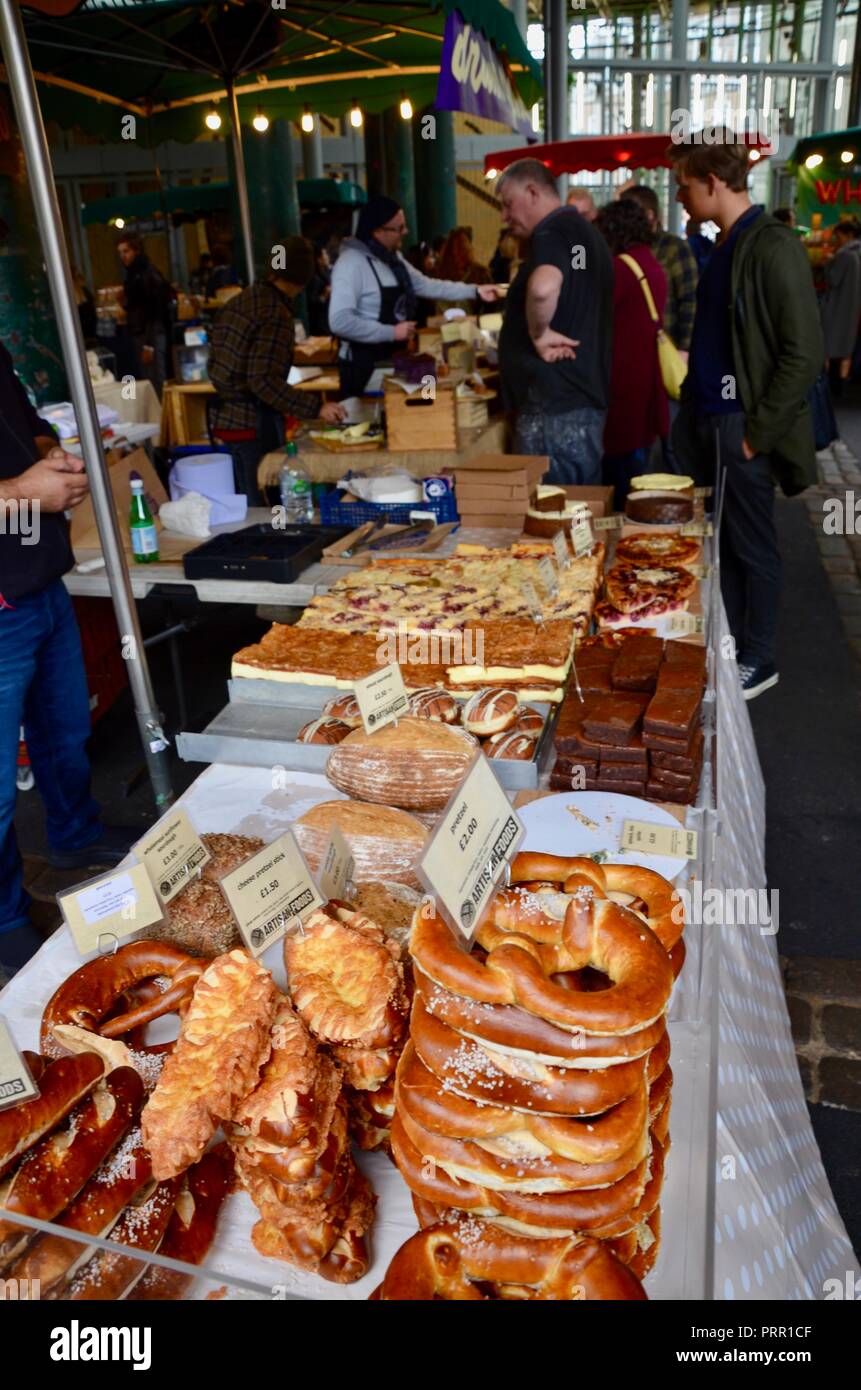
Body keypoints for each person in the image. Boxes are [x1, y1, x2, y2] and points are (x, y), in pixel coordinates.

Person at [668, 131, 822, 700]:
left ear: (713, 182)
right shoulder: (727, 241)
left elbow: (803, 352)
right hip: (713, 422)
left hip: (739, 426)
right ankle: (732, 650)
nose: (680, 195)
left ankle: (759, 658)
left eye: (685, 184)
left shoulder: (771, 244)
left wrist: (756, 436)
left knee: (752, 547)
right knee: (724, 545)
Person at [0, 342, 139, 975]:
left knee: (63, 729)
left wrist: (46, 459)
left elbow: (21, 422)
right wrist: (23, 492)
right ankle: (4, 917)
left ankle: (75, 834)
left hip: (39, 577)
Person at [494, 157, 613, 485]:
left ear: (532, 192)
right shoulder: (584, 233)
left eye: (507, 204)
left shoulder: (552, 231)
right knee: (576, 519)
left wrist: (539, 332)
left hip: (553, 415)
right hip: (576, 408)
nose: (505, 217)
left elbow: (544, 288)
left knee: (549, 523)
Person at [208, 235, 345, 504]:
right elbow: (262, 381)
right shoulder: (274, 313)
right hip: (252, 424)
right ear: (304, 278)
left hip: (228, 418)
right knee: (262, 506)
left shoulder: (242, 300)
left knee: (245, 502)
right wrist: (316, 408)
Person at [328, 196, 497, 397]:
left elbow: (426, 285)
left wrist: (474, 291)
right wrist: (391, 332)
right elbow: (339, 321)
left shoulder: (393, 259)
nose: (405, 232)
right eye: (398, 228)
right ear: (377, 231)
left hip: (393, 358)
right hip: (362, 365)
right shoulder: (351, 264)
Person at [595, 200, 669, 509]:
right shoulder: (648, 261)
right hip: (645, 374)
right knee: (636, 457)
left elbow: (595, 315)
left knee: (619, 468)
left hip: (622, 377)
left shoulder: (621, 267)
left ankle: (622, 534)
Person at [620, 185, 698, 354]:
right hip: (632, 349)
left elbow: (690, 299)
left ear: (650, 215)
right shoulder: (621, 250)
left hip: (667, 348)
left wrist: (684, 349)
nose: (622, 221)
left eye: (628, 215)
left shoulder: (674, 247)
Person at [117, 233, 172, 395]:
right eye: (120, 252)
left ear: (136, 251)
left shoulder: (146, 273)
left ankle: (163, 416)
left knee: (156, 378)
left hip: (150, 334)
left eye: (125, 251)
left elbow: (155, 309)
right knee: (149, 377)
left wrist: (149, 344)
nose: (122, 256)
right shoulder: (133, 274)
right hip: (142, 333)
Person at [821, 219, 861, 397]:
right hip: (854, 309)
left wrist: (828, 262)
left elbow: (833, 280)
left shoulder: (844, 255)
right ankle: (843, 387)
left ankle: (826, 385)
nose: (837, 240)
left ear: (847, 235)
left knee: (827, 347)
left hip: (837, 307)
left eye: (838, 236)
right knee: (847, 350)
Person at [307, 245, 332, 336]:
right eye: (324, 254)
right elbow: (312, 302)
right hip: (319, 323)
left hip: (327, 319)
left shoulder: (325, 273)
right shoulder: (315, 278)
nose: (327, 256)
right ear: (318, 259)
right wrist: (325, 295)